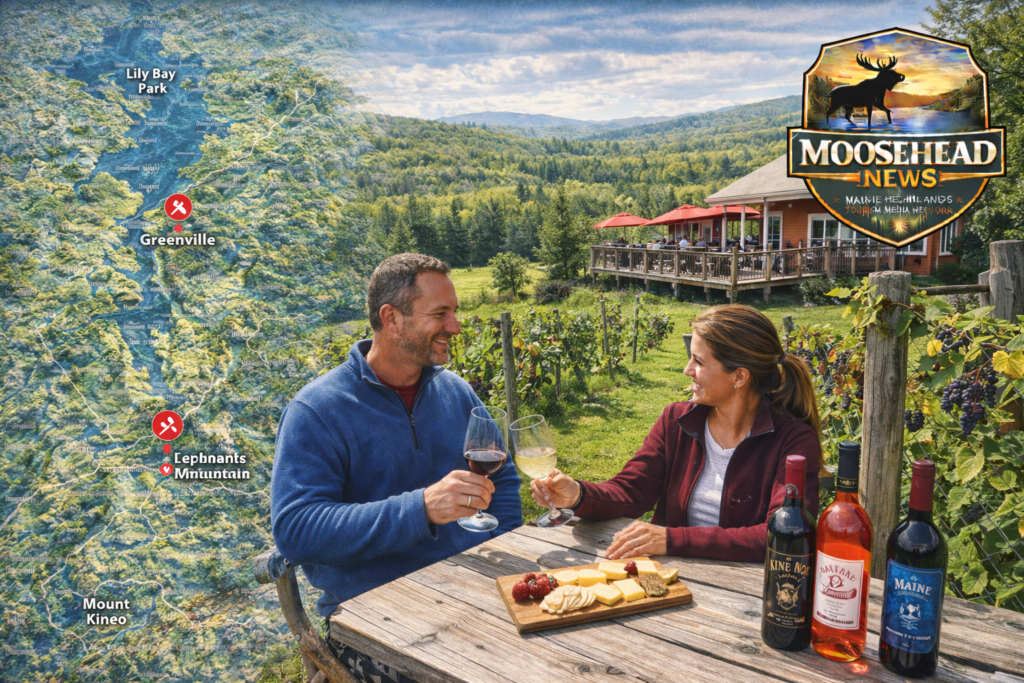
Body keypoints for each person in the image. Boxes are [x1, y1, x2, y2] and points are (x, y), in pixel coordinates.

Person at [271, 253, 523, 683]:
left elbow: (504, 483)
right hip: (372, 617)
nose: (456, 326)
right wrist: (421, 508)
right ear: (392, 319)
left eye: (455, 312)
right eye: (440, 314)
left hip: (468, 590)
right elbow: (296, 531)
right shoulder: (317, 410)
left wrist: (498, 561)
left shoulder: (457, 392)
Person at [531, 304, 821, 563]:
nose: (687, 370)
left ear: (739, 377)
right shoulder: (676, 420)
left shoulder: (793, 442)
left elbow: (781, 534)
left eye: (699, 361)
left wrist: (673, 539)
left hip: (746, 592)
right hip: (671, 580)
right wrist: (578, 494)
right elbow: (633, 491)